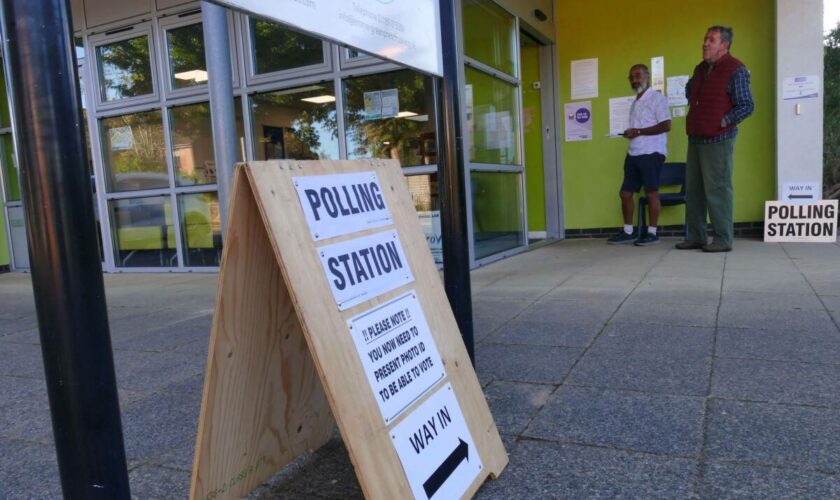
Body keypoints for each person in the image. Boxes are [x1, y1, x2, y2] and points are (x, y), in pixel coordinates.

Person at [676, 25, 754, 252]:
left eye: (711, 40)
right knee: (694, 191)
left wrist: (722, 121)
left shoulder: (736, 69)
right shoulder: (700, 68)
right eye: (705, 38)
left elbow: (747, 105)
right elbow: (691, 90)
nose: (705, 43)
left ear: (724, 45)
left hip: (719, 140)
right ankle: (697, 236)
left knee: (718, 189)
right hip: (696, 138)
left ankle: (722, 239)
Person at [607, 64, 671, 246]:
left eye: (638, 75)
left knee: (651, 193)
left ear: (647, 76)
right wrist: (631, 133)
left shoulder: (657, 98)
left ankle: (652, 233)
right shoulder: (635, 102)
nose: (635, 80)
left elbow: (666, 125)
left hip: (651, 152)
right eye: (631, 77)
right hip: (634, 153)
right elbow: (638, 130)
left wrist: (639, 131)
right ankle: (628, 232)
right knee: (625, 193)